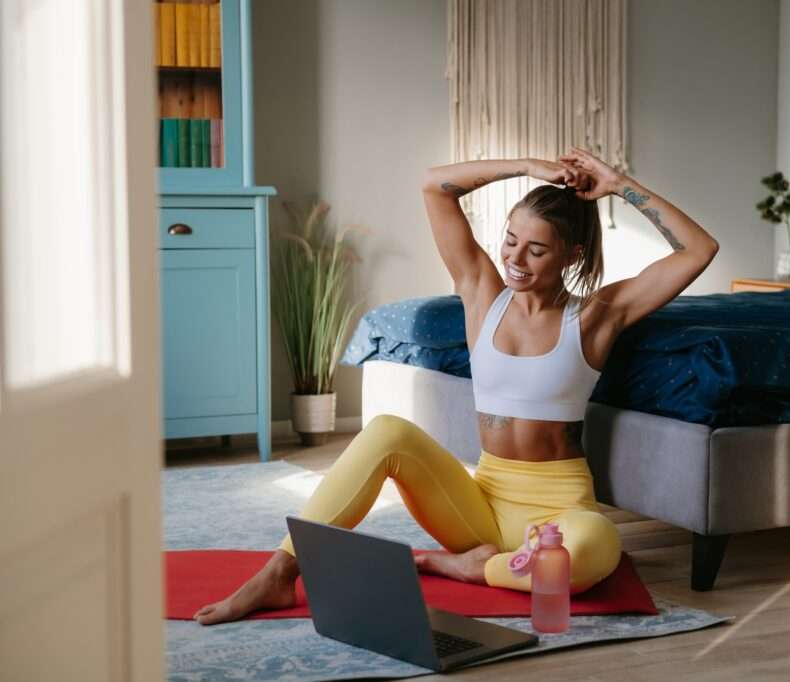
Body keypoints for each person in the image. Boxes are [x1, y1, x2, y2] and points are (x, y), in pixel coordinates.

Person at [193, 147, 719, 625]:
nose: (515, 259)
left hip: (558, 513)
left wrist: (617, 181)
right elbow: (435, 184)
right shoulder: (481, 293)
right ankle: (280, 573)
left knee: (596, 547)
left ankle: (467, 569)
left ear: (572, 256)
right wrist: (529, 168)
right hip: (480, 504)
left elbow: (698, 249)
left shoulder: (596, 316)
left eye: (537, 250)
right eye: (511, 240)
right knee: (386, 434)